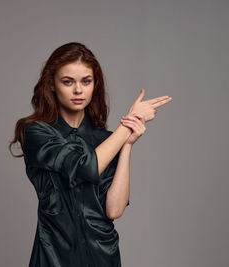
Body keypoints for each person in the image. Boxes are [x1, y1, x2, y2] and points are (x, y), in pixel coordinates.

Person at [9, 42, 172, 267]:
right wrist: (128, 124)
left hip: (103, 255)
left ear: (95, 85)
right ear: (52, 84)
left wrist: (127, 144)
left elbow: (114, 209)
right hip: (54, 256)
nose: (78, 90)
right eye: (68, 82)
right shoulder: (37, 132)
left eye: (86, 81)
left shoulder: (106, 140)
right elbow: (86, 167)